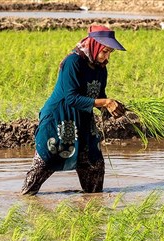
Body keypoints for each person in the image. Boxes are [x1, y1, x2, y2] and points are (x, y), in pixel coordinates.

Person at [21, 25, 126, 196]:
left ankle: (93, 204)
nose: (107, 57)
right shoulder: (73, 62)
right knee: (45, 162)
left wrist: (113, 110)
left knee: (94, 164)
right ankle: (25, 198)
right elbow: (71, 98)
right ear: (95, 45)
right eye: (105, 51)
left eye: (110, 53)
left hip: (83, 119)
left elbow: (99, 95)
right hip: (59, 117)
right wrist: (106, 102)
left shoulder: (101, 68)